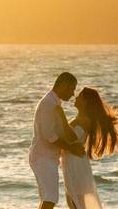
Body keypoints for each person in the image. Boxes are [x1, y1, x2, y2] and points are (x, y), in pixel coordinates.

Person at [60, 87, 118, 209]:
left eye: (79, 96)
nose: (76, 97)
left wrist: (60, 115)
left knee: (76, 202)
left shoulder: (84, 121)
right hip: (73, 162)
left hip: (76, 163)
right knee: (74, 202)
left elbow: (71, 137)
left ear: (85, 102)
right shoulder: (80, 119)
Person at [29, 72, 86, 209]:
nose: (73, 94)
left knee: (47, 198)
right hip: (43, 157)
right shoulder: (48, 103)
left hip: (47, 157)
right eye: (72, 89)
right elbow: (49, 135)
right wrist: (71, 148)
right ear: (63, 85)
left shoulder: (53, 102)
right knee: (50, 198)